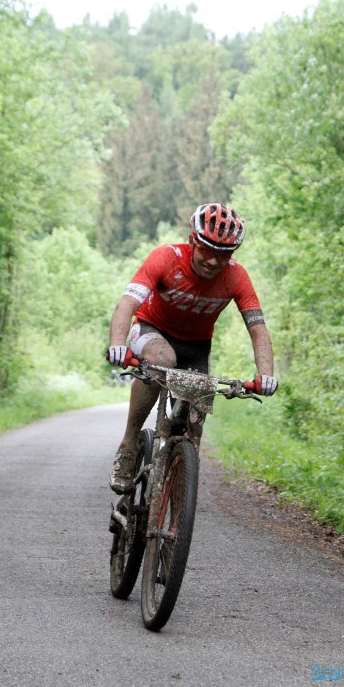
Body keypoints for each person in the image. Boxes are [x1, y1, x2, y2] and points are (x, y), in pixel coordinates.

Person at [105, 203, 277, 494]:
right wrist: (117, 345)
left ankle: (175, 495)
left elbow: (258, 329)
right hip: (150, 331)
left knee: (194, 420)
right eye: (207, 251)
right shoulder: (165, 258)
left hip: (196, 348)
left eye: (223, 255)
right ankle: (129, 444)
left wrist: (266, 374)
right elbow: (126, 306)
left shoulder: (236, 277)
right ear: (192, 241)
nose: (212, 261)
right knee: (163, 357)